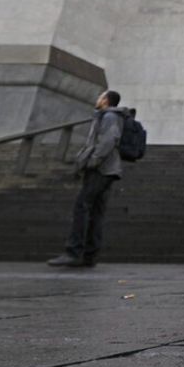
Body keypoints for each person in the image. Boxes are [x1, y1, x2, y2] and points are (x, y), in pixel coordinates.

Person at [48, 90, 128, 268]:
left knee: (82, 206)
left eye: (100, 96)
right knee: (95, 211)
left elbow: (108, 140)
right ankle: (89, 254)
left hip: (101, 169)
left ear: (106, 100)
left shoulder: (109, 117)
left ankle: (73, 251)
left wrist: (92, 161)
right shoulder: (107, 117)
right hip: (107, 169)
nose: (97, 99)